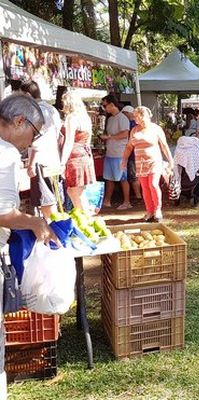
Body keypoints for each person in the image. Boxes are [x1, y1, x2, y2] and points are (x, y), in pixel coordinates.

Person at [0, 94, 62, 399]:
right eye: (34, 134)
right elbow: (3, 214)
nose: (32, 142)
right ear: (19, 121)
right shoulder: (6, 153)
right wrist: (36, 224)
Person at [121, 107, 174, 222]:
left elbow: (164, 146)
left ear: (146, 116)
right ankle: (149, 211)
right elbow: (129, 146)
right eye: (135, 117)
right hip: (140, 163)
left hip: (154, 161)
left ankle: (157, 209)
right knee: (144, 187)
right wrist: (124, 160)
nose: (137, 119)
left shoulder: (156, 129)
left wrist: (171, 161)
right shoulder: (134, 130)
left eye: (139, 117)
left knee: (153, 184)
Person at [19, 81, 62, 219]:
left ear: (27, 94)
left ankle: (52, 232)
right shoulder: (52, 109)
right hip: (53, 159)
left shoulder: (35, 112)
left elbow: (35, 141)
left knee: (46, 202)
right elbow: (59, 135)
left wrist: (31, 164)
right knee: (53, 199)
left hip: (41, 160)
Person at [60, 92, 97, 211]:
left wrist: (62, 162)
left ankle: (86, 218)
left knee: (75, 192)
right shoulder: (86, 117)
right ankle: (84, 216)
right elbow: (88, 140)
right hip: (85, 154)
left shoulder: (72, 118)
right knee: (74, 191)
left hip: (74, 157)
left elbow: (69, 142)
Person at [100, 95, 132, 210]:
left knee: (123, 178)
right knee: (109, 178)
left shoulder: (122, 118)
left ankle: (127, 201)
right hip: (110, 152)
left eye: (105, 105)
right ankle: (107, 201)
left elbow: (125, 134)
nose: (104, 108)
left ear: (112, 104)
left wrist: (109, 137)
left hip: (120, 153)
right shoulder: (110, 119)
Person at [121, 105, 143, 203]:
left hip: (132, 154)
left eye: (124, 114)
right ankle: (138, 195)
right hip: (136, 152)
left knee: (134, 176)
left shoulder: (130, 124)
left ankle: (138, 196)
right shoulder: (138, 125)